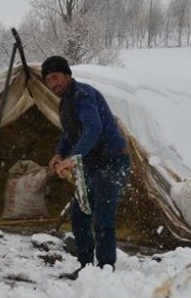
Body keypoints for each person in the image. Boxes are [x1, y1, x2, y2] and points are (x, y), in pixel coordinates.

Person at [41, 56, 130, 278]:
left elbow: (93, 128)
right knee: (80, 214)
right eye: (48, 81)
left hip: (112, 160)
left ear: (67, 74)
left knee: (103, 216)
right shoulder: (65, 102)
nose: (53, 84)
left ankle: (105, 270)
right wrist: (59, 153)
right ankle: (86, 268)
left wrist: (74, 158)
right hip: (91, 164)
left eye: (55, 77)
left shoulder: (84, 95)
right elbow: (70, 133)